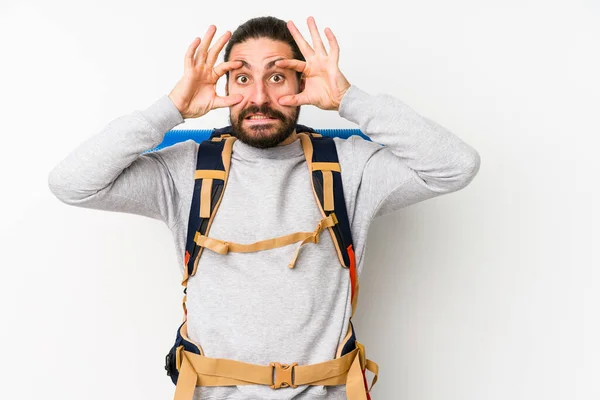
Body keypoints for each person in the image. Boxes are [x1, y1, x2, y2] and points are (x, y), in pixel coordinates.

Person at [48, 15, 481, 400]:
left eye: (276, 78)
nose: (258, 96)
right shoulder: (185, 170)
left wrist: (349, 99)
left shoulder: (349, 165)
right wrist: (171, 108)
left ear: (301, 84)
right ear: (223, 87)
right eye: (241, 78)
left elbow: (455, 166)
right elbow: (72, 184)